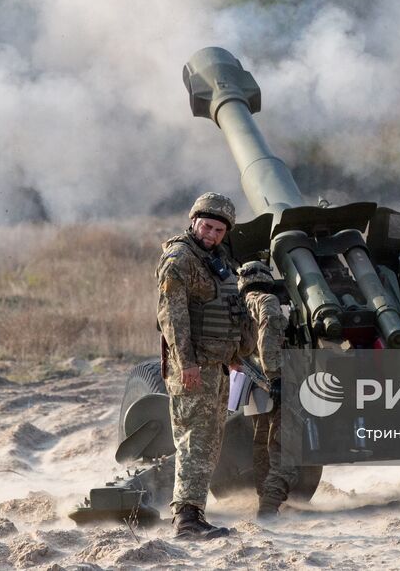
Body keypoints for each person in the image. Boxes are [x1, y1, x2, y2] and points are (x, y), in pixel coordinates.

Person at [156, 191, 251, 540]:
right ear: (194, 221)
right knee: (195, 442)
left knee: (208, 442)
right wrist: (187, 364)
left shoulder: (216, 259)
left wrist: (235, 356)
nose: (211, 234)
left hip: (217, 366)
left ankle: (193, 515)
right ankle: (186, 521)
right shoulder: (180, 259)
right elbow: (173, 318)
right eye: (207, 226)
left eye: (219, 231)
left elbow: (228, 310)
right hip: (194, 368)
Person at [238, 258, 300, 518]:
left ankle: (264, 500)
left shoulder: (239, 306)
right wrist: (276, 376)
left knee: (262, 443)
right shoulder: (267, 301)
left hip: (253, 383)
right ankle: (269, 508)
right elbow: (268, 335)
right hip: (276, 382)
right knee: (287, 451)